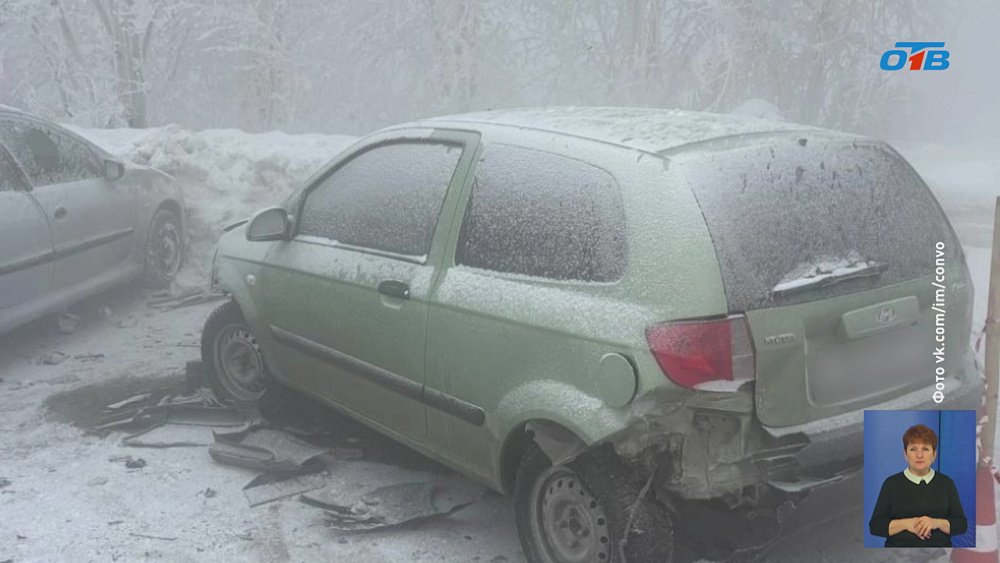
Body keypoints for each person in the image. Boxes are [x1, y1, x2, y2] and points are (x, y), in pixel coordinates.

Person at [868, 424, 968, 547]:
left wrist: (935, 522)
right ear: (905, 454)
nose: (919, 455)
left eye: (925, 449)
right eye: (913, 449)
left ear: (934, 454)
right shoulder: (891, 484)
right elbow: (875, 526)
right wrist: (907, 523)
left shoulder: (946, 483)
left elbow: (961, 525)